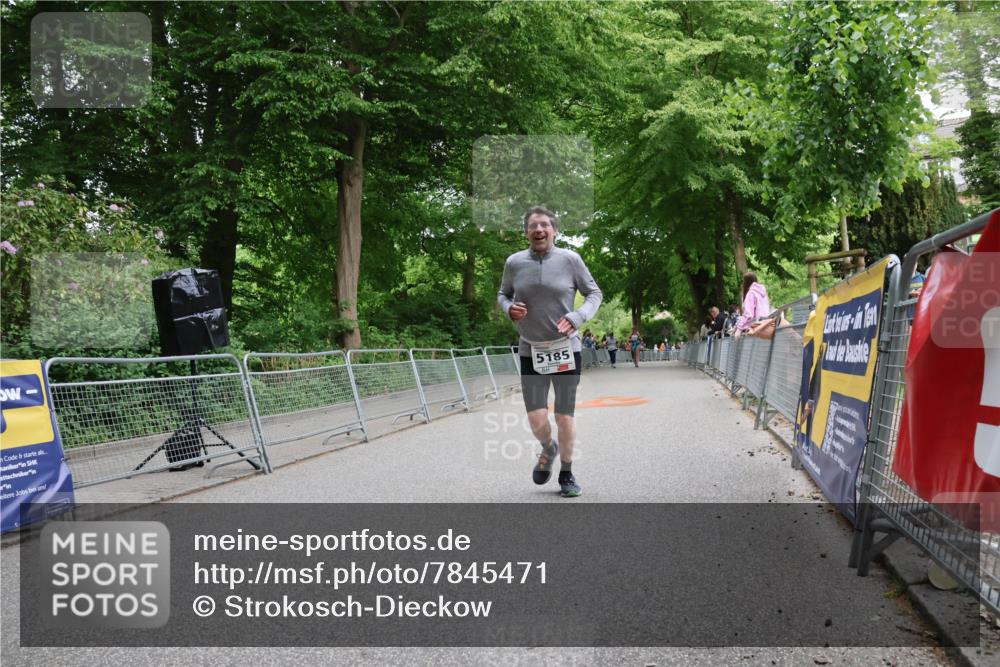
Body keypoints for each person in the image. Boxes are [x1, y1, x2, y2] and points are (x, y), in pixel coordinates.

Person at [498, 205, 602, 498]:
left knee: (565, 416)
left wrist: (578, 317)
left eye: (545, 225)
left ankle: (567, 474)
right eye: (533, 226)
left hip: (566, 349)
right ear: (527, 232)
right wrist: (509, 308)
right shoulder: (514, 262)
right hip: (531, 349)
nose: (539, 230)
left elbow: (594, 293)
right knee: (536, 418)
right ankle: (549, 448)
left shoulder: (570, 259)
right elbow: (502, 294)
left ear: (555, 230)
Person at [734, 271, 772, 337]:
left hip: (756, 328)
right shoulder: (763, 293)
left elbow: (748, 314)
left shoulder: (751, 293)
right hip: (766, 326)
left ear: (745, 282)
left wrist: (738, 329)